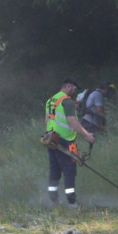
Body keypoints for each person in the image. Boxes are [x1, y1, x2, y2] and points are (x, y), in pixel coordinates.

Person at [44, 76, 96, 208]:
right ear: (68, 87)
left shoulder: (51, 100)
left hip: (51, 139)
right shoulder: (67, 102)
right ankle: (71, 202)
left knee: (55, 169)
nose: (75, 91)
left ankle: (53, 200)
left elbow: (47, 120)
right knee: (69, 169)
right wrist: (87, 136)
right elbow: (73, 122)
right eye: (74, 88)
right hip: (64, 140)